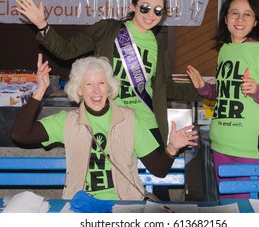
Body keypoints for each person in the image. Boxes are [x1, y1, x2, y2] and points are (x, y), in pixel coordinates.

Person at [15, 0, 201, 151]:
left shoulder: (159, 46)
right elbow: (66, 50)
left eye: (158, 10)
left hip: (147, 124)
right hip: (110, 122)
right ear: (132, 7)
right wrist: (42, 25)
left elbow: (166, 87)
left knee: (157, 184)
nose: (151, 14)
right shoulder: (107, 30)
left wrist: (205, 91)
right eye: (145, 8)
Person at [10, 54, 198, 200]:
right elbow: (20, 134)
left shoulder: (130, 119)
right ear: (79, 90)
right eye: (89, 84)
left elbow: (159, 170)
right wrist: (40, 90)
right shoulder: (66, 121)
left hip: (125, 203)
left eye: (101, 83)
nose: (96, 90)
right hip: (80, 205)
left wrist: (172, 148)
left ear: (109, 87)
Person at [186, 0, 259, 199]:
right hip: (220, 141)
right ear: (225, 19)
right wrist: (203, 88)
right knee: (226, 207)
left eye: (247, 14)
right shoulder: (225, 49)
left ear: (256, 20)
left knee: (243, 210)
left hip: (249, 146)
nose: (240, 19)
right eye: (234, 13)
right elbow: (225, 93)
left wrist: (257, 90)